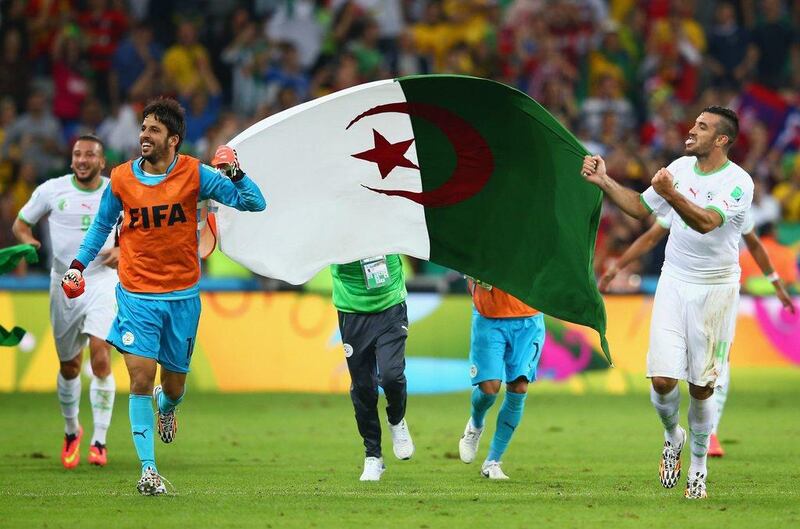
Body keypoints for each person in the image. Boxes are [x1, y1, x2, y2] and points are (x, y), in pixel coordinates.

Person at [61, 98, 266, 495]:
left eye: (153, 130)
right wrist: (77, 265)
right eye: (142, 128)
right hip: (137, 294)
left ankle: (167, 407)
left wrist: (235, 171)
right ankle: (149, 470)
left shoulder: (195, 174)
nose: (143, 135)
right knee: (140, 376)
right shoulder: (121, 179)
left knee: (172, 388)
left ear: (173, 139)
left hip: (182, 297)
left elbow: (255, 203)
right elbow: (101, 227)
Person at [581, 106, 753, 499]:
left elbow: (707, 222)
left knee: (701, 388)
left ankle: (698, 468)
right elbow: (640, 208)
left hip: (717, 289)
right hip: (674, 281)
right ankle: (671, 436)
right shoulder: (678, 167)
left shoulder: (738, 183)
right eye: (693, 123)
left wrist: (670, 193)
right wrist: (604, 180)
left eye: (702, 127)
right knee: (661, 380)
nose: (691, 130)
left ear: (722, 140)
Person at [598, 210, 795, 458]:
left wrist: (776, 283)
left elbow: (753, 243)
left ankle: (710, 432)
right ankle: (676, 431)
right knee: (669, 372)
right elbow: (650, 236)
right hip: (680, 291)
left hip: (718, 292)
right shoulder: (682, 195)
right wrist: (617, 266)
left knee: (717, 365)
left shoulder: (735, 195)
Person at [12, 135, 119, 469]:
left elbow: (138, 227)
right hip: (64, 283)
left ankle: (99, 440)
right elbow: (20, 224)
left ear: (102, 162)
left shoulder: (117, 190)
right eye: (78, 154)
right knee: (69, 366)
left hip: (102, 280)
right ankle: (72, 430)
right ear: (71, 160)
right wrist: (28, 242)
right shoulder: (51, 190)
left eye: (90, 155)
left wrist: (123, 249)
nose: (83, 159)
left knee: (101, 356)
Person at [331, 254, 414, 481]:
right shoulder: (335, 223)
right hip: (352, 308)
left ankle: (396, 420)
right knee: (363, 387)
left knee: (391, 376)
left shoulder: (387, 219)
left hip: (390, 304)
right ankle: (373, 456)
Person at [458, 279, 545, 480]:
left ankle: (492, 462)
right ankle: (475, 425)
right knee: (489, 389)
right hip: (489, 317)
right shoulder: (483, 245)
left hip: (529, 318)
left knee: (519, 388)